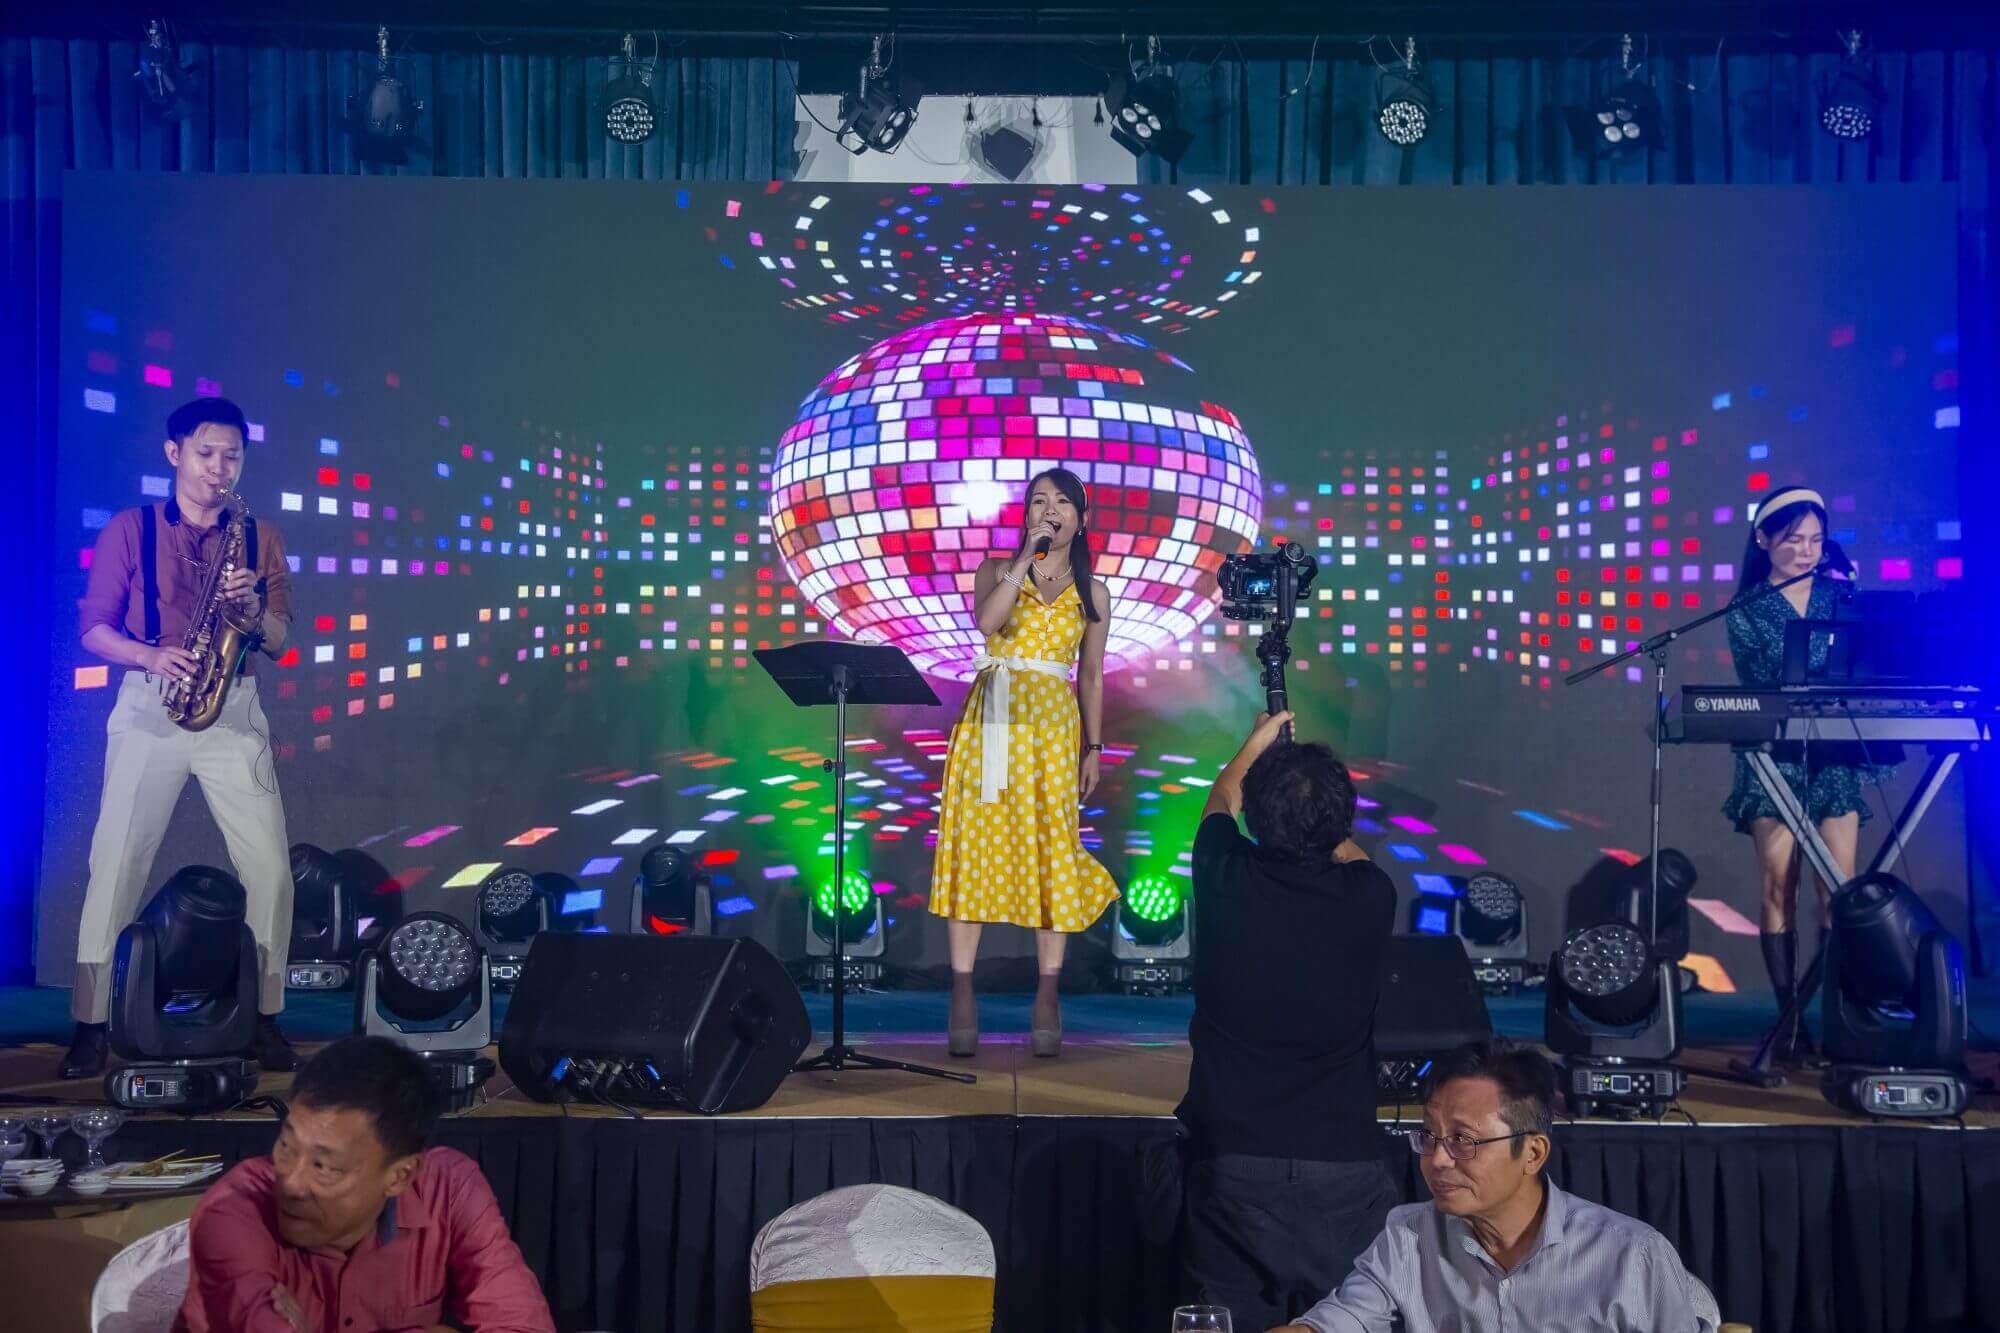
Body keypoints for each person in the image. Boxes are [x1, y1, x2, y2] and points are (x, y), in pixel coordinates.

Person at [63, 396, 298, 1079]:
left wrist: (252, 608)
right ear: (174, 453)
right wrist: (151, 655)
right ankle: (91, 1024)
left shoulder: (258, 536)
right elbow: (94, 629)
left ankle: (265, 1017)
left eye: (232, 456)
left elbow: (280, 638)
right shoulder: (129, 528)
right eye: (206, 453)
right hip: (149, 703)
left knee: (271, 871)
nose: (220, 469)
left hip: (234, 707)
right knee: (116, 863)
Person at [1175, 710, 1398, 1332]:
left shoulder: (1224, 875)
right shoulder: (1372, 895)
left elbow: (1221, 797)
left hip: (1234, 1164)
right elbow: (1349, 852)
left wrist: (1257, 741)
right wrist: (1318, 809)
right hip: (1345, 1167)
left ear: (1254, 816)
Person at [1276, 1040, 1717, 1333]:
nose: (1438, 1159)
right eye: (1429, 1136)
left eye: (1463, 1141)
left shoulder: (1632, 1255)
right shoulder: (1409, 1237)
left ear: (1533, 1153)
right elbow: (1337, 1323)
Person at [174, 1036, 555, 1333]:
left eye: (324, 1166)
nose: (291, 1183)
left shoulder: (450, 1190)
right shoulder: (235, 1208)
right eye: (287, 1146)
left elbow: (522, 1324)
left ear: (400, 1176)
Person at [928, 467, 1119, 1057]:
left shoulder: (1094, 592)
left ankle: (1047, 994)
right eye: (1039, 501)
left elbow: (1091, 676)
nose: (1049, 510)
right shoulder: (996, 570)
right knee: (974, 846)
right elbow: (987, 623)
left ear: (1081, 519)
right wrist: (1023, 558)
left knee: (1051, 850)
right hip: (992, 721)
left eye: (1062, 502)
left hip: (1053, 732)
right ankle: (963, 992)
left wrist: (1094, 747)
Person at [1725, 486, 1892, 1061]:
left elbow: (1866, 665)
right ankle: (1789, 1023)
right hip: (1774, 757)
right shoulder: (1746, 607)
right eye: (1794, 539)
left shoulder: (1840, 596)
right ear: (1763, 539)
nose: (1806, 551)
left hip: (1832, 758)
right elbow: (1764, 679)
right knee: (1779, 886)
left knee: (1838, 890)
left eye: (1816, 540)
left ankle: (1841, 1017)